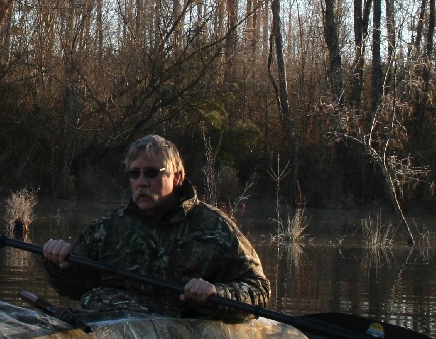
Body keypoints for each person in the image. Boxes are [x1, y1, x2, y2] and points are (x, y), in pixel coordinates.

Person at [41, 134, 270, 322]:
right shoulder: (108, 228)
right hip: (108, 330)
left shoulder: (215, 227)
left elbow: (259, 289)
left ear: (177, 177)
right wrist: (58, 263)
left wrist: (216, 293)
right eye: (134, 174)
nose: (142, 181)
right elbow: (73, 288)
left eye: (152, 173)